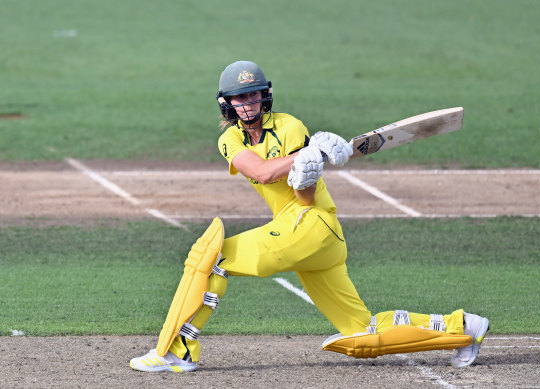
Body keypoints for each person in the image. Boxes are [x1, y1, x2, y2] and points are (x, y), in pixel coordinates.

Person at [130, 60, 489, 372]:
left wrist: (309, 163)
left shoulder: (290, 127)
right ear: (227, 103)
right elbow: (261, 171)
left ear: (265, 95)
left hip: (311, 224)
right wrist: (308, 154)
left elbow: (304, 195)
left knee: (212, 258)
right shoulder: (230, 141)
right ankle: (463, 327)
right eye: (240, 98)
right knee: (363, 333)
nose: (247, 104)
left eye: (253, 95)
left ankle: (177, 352)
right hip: (307, 236)